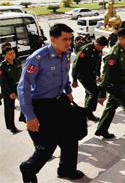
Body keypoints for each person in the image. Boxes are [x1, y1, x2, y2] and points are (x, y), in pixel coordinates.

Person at [18, 23, 84, 182]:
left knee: (70, 137)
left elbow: (64, 75)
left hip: (59, 101)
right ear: (53, 39)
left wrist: (68, 91)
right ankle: (28, 168)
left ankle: (66, 170)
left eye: (70, 39)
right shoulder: (38, 58)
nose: (69, 42)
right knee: (47, 146)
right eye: (65, 39)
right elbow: (23, 88)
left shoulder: (66, 53)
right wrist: (30, 116)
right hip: (41, 105)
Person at [95, 27, 125, 141]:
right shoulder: (113, 54)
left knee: (111, 107)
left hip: (122, 83)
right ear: (121, 39)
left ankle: (102, 129)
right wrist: (102, 94)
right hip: (114, 86)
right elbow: (105, 75)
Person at [71, 36, 108, 122]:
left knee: (89, 93)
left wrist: (98, 74)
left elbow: (98, 63)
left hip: (92, 74)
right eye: (102, 47)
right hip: (83, 75)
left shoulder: (98, 50)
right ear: (97, 44)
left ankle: (87, 112)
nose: (102, 49)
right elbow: (76, 65)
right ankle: (88, 113)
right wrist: (74, 79)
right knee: (94, 92)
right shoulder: (86, 50)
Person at [1, 47, 23, 134]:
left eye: (13, 53)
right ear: (4, 56)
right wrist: (10, 93)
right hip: (8, 89)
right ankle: (11, 126)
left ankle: (22, 117)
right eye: (10, 54)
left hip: (19, 86)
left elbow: (21, 74)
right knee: (9, 108)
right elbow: (3, 82)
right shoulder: (2, 66)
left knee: (26, 102)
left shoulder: (17, 61)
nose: (12, 55)